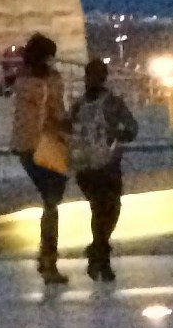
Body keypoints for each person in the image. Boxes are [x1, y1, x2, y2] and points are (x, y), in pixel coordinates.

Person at [67, 56, 139, 284]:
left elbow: (132, 129)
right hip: (96, 166)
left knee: (103, 211)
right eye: (93, 76)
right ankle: (101, 257)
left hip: (97, 165)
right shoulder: (101, 104)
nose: (94, 80)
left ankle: (98, 252)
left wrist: (116, 134)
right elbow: (131, 129)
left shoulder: (88, 105)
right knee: (105, 210)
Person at [7, 30, 71, 284]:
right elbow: (57, 111)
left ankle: (47, 258)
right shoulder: (46, 82)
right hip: (43, 146)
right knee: (52, 200)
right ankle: (48, 260)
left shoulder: (21, 80)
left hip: (27, 147)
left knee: (51, 200)